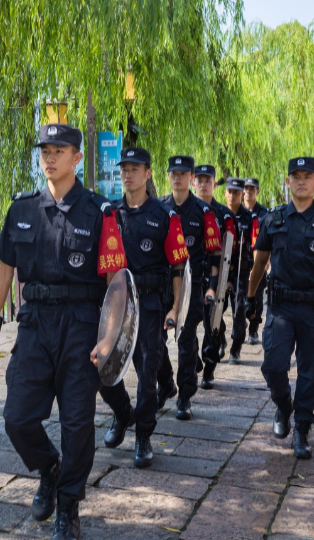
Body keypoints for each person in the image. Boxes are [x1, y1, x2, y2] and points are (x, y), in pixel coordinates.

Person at [0, 123, 126, 540]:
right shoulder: (22, 210)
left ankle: (68, 506)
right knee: (17, 418)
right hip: (34, 325)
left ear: (76, 158)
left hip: (81, 326)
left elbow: (117, 282)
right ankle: (49, 467)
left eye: (59, 150)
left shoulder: (99, 212)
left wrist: (109, 337)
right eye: (45, 149)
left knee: (77, 425)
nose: (50, 156)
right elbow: (4, 272)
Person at [245, 157, 314, 459]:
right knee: (273, 365)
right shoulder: (273, 219)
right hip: (280, 307)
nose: (302, 181)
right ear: (288, 181)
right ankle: (283, 406)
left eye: (308, 176)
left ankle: (302, 430)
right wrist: (251, 296)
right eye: (296, 176)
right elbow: (259, 262)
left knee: (309, 371)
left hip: (313, 308)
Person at [94, 149, 188, 469]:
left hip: (150, 303)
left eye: (135, 169)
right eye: (124, 169)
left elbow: (179, 266)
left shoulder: (164, 216)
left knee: (148, 370)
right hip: (117, 304)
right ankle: (123, 414)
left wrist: (175, 309)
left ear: (148, 173)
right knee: (103, 367)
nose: (128, 174)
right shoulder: (110, 214)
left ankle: (143, 435)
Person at [156, 157, 222, 419]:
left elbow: (215, 252)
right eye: (174, 173)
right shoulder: (159, 208)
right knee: (154, 339)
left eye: (183, 174)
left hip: (192, 285)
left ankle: (185, 394)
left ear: (191, 177)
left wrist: (212, 288)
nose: (178, 178)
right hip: (163, 284)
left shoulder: (204, 212)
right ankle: (165, 382)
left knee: (186, 340)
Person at [191, 165, 230, 388]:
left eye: (208, 181)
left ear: (214, 184)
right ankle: (193, 360)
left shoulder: (224, 215)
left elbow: (231, 252)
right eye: (200, 180)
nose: (204, 185)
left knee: (212, 324)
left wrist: (227, 281)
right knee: (188, 325)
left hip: (216, 277)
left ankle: (209, 366)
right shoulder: (184, 211)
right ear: (193, 182)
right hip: (191, 278)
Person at [222, 177, 256, 365]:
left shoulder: (250, 218)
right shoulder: (219, 214)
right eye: (230, 192)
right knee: (213, 310)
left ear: (242, 194)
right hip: (221, 270)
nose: (232, 195)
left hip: (241, 271)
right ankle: (218, 339)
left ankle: (235, 348)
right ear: (225, 193)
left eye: (236, 192)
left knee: (239, 310)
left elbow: (256, 245)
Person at [243, 178, 269, 345]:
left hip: (258, 261)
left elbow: (269, 238)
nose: (248, 192)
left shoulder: (265, 214)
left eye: (252, 189)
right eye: (246, 189)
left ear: (257, 191)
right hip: (241, 261)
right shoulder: (236, 212)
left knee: (257, 296)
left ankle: (253, 329)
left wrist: (268, 259)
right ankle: (239, 327)